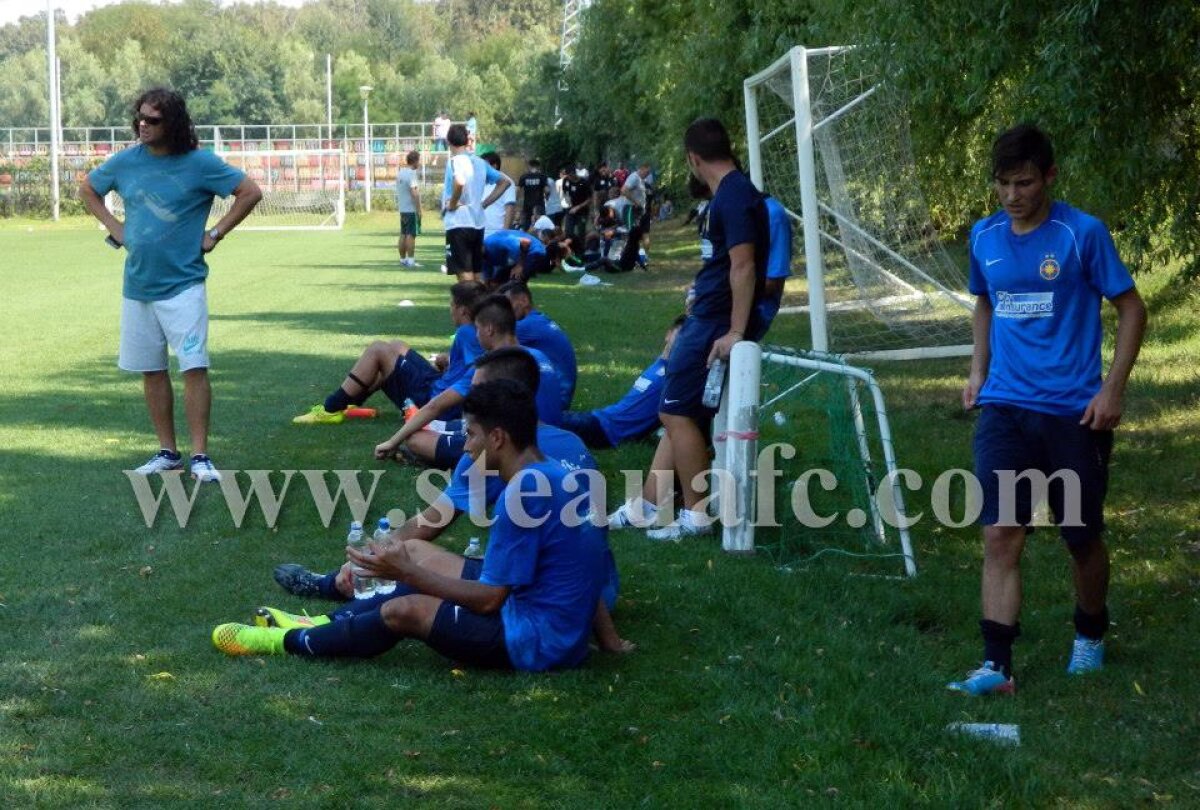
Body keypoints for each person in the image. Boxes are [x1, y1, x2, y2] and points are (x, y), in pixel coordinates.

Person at [212, 379, 624, 670]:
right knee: (415, 552)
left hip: (534, 642)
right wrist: (609, 643)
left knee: (403, 609)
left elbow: (488, 601)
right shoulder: (560, 475)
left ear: (498, 437)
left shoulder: (523, 493)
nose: (466, 445)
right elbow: (586, 566)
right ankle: (321, 623)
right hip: (554, 625)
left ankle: (281, 642)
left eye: (471, 434)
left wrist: (407, 575)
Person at [946, 124, 1147, 696]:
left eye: (1025, 182)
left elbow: (1132, 309)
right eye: (1004, 184)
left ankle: (1089, 633)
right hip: (1005, 409)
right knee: (1001, 533)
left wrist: (1113, 389)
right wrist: (978, 370)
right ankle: (997, 665)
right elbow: (984, 302)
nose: (1013, 195)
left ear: (1050, 177)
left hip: (1072, 415)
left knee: (1079, 537)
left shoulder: (1081, 234)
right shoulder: (984, 237)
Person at [273, 353, 603, 606]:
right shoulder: (571, 443)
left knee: (407, 593)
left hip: (543, 604)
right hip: (593, 594)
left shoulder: (494, 454)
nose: (466, 400)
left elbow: (429, 524)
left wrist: (373, 561)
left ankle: (331, 593)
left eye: (476, 391)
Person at [79, 87, 263, 483]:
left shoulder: (199, 164)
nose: (143, 125)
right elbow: (88, 188)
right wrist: (114, 227)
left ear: (173, 123)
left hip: (184, 286)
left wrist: (215, 233)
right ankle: (168, 453)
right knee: (151, 370)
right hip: (138, 286)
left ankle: (200, 456)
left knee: (194, 367)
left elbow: (250, 192)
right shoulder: (126, 162)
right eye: (140, 118)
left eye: (153, 120)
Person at [608, 118, 768, 541]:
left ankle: (697, 515)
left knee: (675, 412)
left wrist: (734, 331)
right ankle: (644, 507)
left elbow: (744, 264)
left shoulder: (733, 196)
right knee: (680, 413)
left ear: (694, 159)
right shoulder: (734, 193)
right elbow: (727, 263)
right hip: (709, 313)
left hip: (713, 323)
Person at [374, 296, 565, 467]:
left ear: (489, 329)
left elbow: (436, 406)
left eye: (477, 328)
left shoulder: (490, 366)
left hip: (516, 447)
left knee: (415, 438)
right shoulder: (538, 355)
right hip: (552, 437)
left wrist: (393, 441)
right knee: (453, 424)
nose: (475, 335)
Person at [291, 281, 486, 424]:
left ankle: (331, 408)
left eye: (451, 304)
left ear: (462, 310)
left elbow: (479, 373)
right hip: (438, 385)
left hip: (433, 401)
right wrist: (450, 364)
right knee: (397, 345)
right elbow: (473, 367)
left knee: (378, 350)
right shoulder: (475, 329)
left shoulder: (466, 332)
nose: (449, 309)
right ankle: (349, 402)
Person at [559, 316, 683, 449]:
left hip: (608, 432)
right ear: (668, 334)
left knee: (543, 421)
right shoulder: (660, 362)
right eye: (681, 334)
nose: (683, 340)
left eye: (689, 338)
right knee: (547, 416)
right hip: (600, 418)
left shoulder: (676, 375)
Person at [441, 124, 509, 280]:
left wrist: (452, 203)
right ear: (466, 140)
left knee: (463, 272)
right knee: (477, 272)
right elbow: (505, 182)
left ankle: (470, 303)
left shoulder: (455, 161)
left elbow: (459, 181)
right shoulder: (480, 162)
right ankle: (481, 303)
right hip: (477, 223)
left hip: (459, 222)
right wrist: (484, 204)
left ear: (448, 141)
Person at [498, 280, 577, 408]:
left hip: (553, 402)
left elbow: (490, 338)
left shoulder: (526, 326)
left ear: (523, 300)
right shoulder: (539, 319)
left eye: (507, 306)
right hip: (558, 395)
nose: (504, 314)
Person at [481, 229, 550, 287]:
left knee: (516, 281)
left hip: (533, 251)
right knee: (495, 283)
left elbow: (525, 242)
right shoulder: (483, 258)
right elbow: (487, 279)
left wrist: (520, 265)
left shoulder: (493, 242)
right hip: (518, 256)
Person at [395, 149, 423, 267]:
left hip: (402, 209)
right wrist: (419, 210)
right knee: (411, 235)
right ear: (415, 161)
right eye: (419, 161)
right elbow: (414, 193)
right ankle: (411, 261)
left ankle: (402, 259)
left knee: (403, 234)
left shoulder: (400, 173)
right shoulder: (412, 174)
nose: (419, 163)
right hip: (411, 210)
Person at [480, 152, 517, 237]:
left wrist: (505, 232)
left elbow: (510, 208)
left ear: (494, 166)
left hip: (497, 232)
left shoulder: (507, 182)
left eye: (485, 166)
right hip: (480, 230)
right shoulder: (482, 181)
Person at [562, 166, 592, 249]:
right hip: (571, 209)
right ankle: (569, 248)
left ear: (574, 174)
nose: (569, 178)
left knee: (581, 231)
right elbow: (565, 193)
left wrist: (578, 207)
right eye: (567, 176)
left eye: (570, 175)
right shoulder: (566, 181)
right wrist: (568, 201)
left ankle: (582, 249)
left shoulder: (584, 182)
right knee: (568, 230)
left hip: (582, 210)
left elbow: (589, 199)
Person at [517, 158, 550, 230]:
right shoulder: (542, 176)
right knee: (541, 226)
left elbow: (517, 190)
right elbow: (547, 191)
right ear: (538, 166)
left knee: (526, 225)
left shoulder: (524, 176)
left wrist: (517, 202)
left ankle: (527, 239)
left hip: (527, 206)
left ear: (529, 166)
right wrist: (547, 197)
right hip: (539, 206)